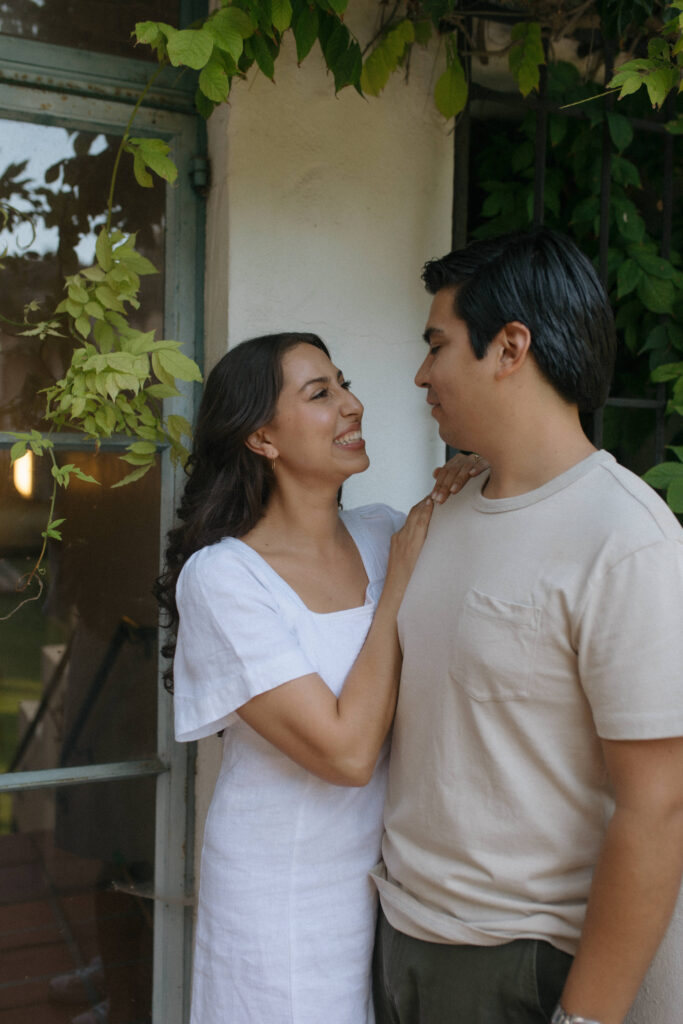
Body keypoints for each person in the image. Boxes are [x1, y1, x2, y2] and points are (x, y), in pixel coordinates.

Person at [372, 228, 683, 1024]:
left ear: (510, 347)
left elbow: (656, 807)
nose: (420, 372)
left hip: (514, 966)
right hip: (395, 938)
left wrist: (583, 1020)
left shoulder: (625, 542)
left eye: (436, 345)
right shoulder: (441, 511)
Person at [155, 331, 485, 1024]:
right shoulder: (224, 579)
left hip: (390, 891)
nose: (352, 405)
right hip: (281, 899)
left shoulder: (382, 531)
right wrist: (394, 588)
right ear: (262, 439)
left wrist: (471, 481)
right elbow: (345, 753)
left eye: (344, 383)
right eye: (320, 393)